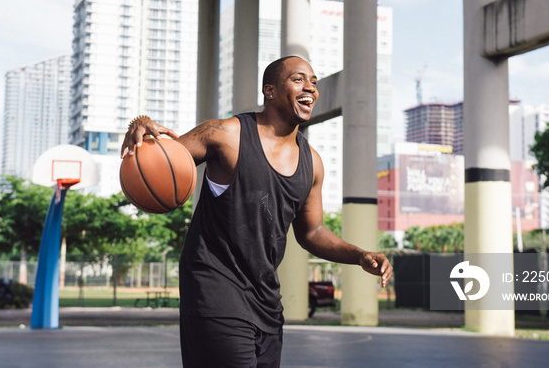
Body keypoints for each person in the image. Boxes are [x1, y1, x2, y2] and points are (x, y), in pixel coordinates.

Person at [121, 56, 393, 368]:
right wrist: (140, 125)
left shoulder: (312, 163)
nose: (310, 88)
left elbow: (312, 233)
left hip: (266, 302)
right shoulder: (225, 135)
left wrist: (359, 256)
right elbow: (162, 162)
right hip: (214, 287)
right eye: (298, 79)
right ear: (270, 90)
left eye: (314, 82)